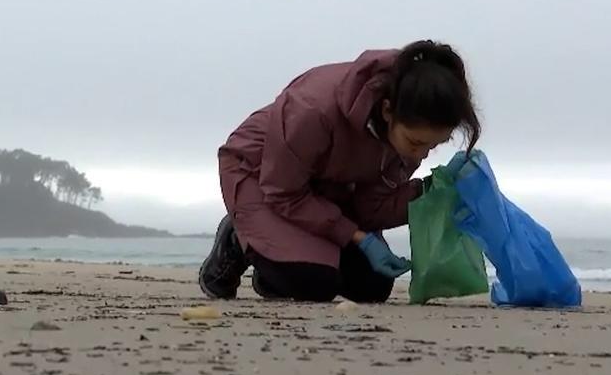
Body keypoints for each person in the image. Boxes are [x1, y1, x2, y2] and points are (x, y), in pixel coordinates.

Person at [198, 40, 481, 303]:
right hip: (262, 176)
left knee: (373, 286)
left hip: (332, 188)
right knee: (315, 283)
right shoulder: (311, 109)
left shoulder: (406, 138)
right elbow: (285, 194)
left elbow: (371, 208)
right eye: (417, 143)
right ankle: (239, 240)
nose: (421, 154)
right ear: (387, 111)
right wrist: (358, 237)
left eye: (435, 145)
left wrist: (434, 190)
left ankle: (277, 268)